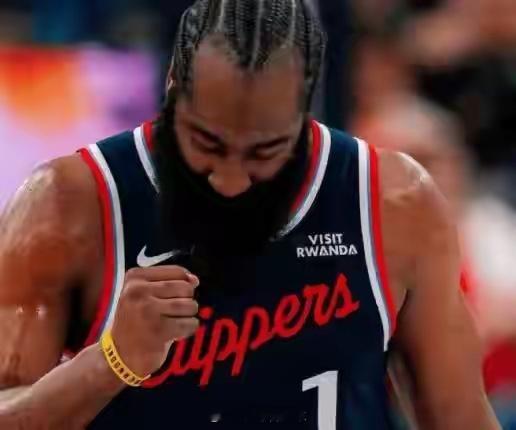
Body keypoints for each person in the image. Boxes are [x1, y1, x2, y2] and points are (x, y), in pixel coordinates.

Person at [0, 0, 501, 428]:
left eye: (264, 152)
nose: (230, 179)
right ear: (172, 85)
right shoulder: (70, 204)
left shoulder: (393, 203)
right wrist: (110, 363)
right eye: (207, 143)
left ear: (307, 106)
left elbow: (460, 419)